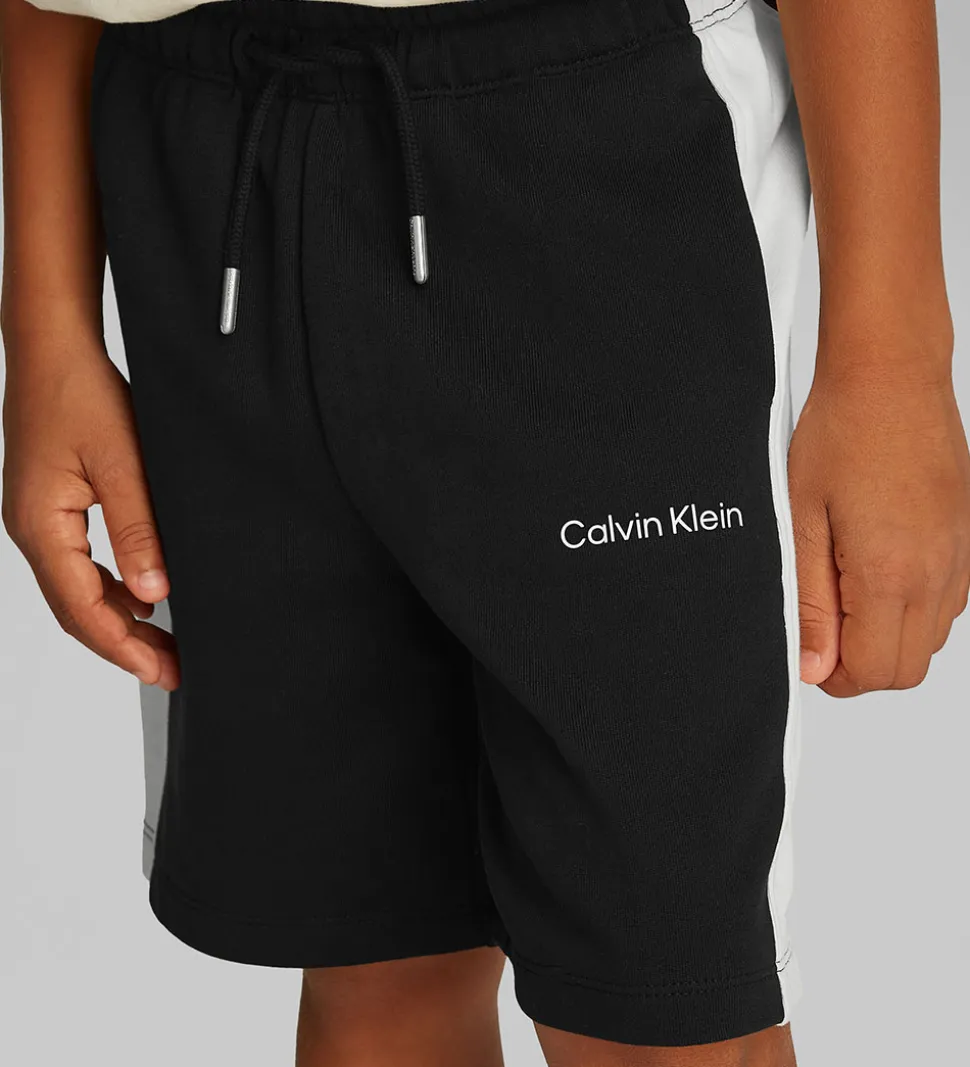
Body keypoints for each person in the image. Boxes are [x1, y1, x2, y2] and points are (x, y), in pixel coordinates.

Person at [1, 0, 967, 1064]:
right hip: (218, 159)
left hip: (599, 138)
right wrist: (45, 327)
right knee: (373, 970)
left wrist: (892, 359)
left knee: (670, 1005)